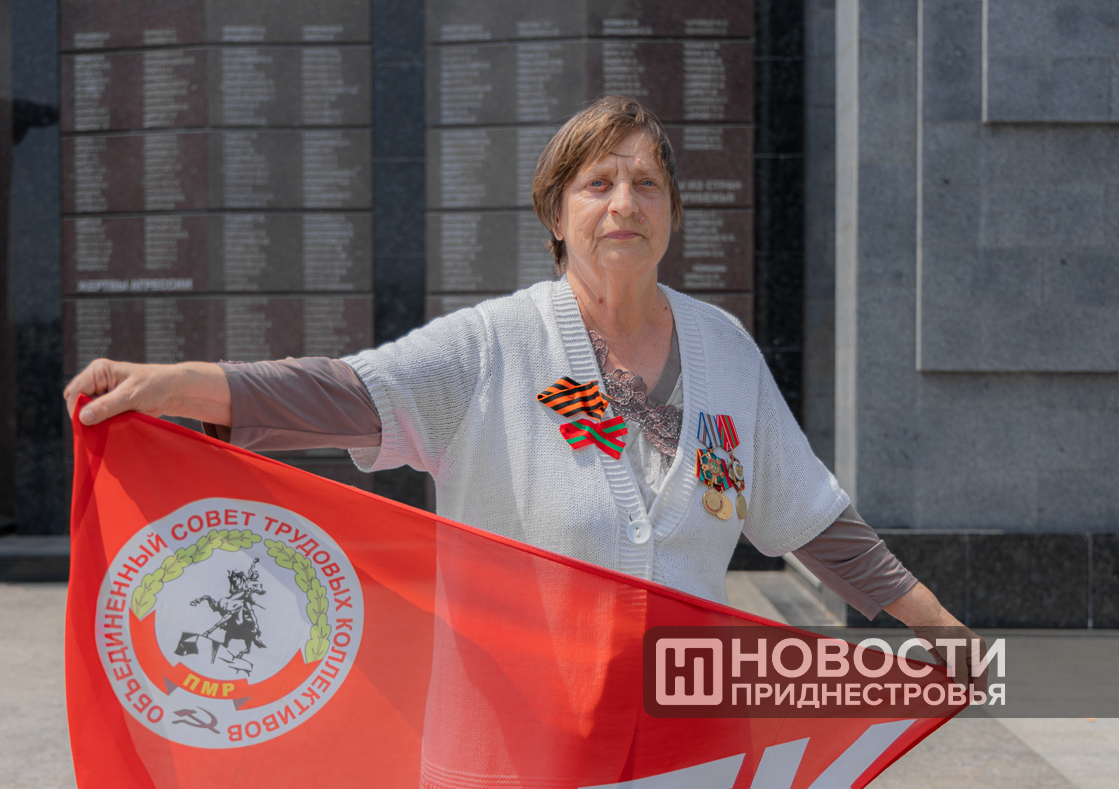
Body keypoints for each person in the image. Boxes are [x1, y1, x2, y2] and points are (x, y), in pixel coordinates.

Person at [65, 95, 980, 677]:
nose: (624, 203)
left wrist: (945, 634)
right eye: (598, 183)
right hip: (516, 744)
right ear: (555, 213)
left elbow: (811, 518)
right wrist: (173, 385)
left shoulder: (726, 352)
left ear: (672, 211)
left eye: (647, 183)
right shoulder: (494, 345)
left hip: (681, 745)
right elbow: (341, 394)